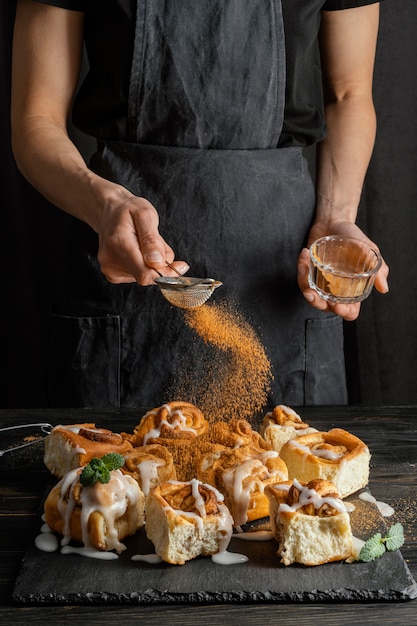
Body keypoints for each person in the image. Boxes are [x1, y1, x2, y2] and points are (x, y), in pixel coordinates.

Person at [11, 0, 389, 409]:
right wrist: (103, 204)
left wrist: (336, 218)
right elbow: (37, 120)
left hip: (281, 274)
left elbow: (349, 95)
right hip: (124, 265)